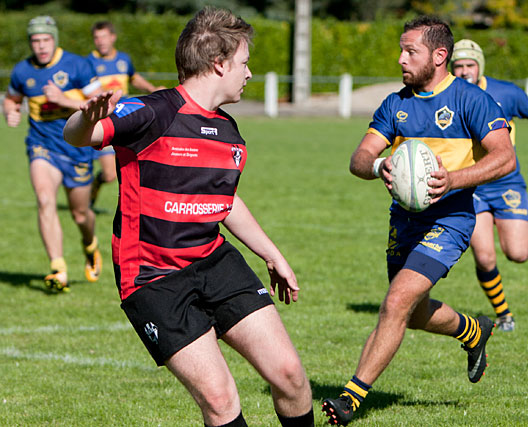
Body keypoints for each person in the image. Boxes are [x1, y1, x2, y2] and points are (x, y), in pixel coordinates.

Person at [63, 7, 314, 427]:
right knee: (220, 399)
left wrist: (273, 255)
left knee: (290, 375)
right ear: (219, 63)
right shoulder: (154, 111)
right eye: (244, 63)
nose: (249, 74)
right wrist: (84, 117)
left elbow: (225, 201)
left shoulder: (229, 131)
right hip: (152, 278)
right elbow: (80, 135)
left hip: (214, 262)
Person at [321, 16, 516, 426]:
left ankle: (350, 399)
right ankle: (473, 331)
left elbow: (505, 156)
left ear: (439, 56)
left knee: (395, 303)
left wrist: (454, 180)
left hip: (452, 218)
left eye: (410, 51)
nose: (400, 59)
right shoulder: (396, 104)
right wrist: (379, 166)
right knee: (411, 310)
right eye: (401, 50)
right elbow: (358, 159)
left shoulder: (470, 100)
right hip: (404, 221)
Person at [450, 39, 528, 332]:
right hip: (470, 184)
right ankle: (504, 314)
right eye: (458, 66)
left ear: (480, 66)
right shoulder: (447, 95)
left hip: (506, 182)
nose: (464, 71)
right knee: (485, 255)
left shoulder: (506, 92)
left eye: (469, 65)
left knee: (517, 253)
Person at [3, 16, 103, 292]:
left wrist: (64, 101)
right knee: (45, 199)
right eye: (35, 41)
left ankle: (90, 244)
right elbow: (12, 100)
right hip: (41, 145)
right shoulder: (23, 71)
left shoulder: (77, 65)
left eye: (46, 39)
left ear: (54, 39)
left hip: (77, 148)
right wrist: (9, 112)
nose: (41, 46)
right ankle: (58, 269)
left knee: (80, 214)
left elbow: (102, 105)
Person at [87, 20, 166, 208]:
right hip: (105, 121)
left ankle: (136, 205)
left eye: (104, 37)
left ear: (113, 37)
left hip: (127, 121)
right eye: (97, 38)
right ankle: (96, 184)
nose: (101, 41)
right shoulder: (88, 62)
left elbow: (134, 78)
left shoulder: (123, 60)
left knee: (136, 166)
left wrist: (152, 89)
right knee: (109, 174)